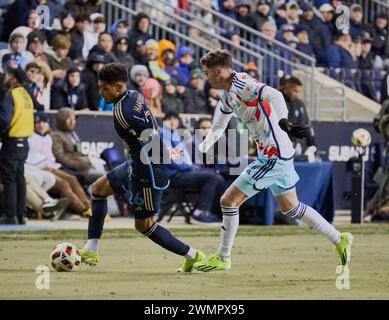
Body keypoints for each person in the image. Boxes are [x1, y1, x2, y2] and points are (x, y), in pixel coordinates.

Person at [192, 50, 353, 272]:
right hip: (277, 153)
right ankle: (339, 238)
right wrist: (204, 145)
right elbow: (219, 124)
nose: (206, 77)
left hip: (273, 155)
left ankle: (223, 256)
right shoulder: (228, 94)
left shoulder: (242, 84)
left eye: (207, 73)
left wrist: (284, 121)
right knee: (291, 207)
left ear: (218, 70)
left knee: (228, 201)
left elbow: (275, 95)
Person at [79, 63, 205, 272]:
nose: (100, 93)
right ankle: (92, 249)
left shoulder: (122, 114)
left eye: (104, 88)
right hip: (139, 161)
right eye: (99, 87)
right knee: (98, 189)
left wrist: (157, 164)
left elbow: (148, 143)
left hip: (147, 170)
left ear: (118, 88)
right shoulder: (134, 95)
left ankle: (194, 255)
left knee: (145, 226)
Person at [160, 111, 224, 223]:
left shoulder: (176, 136)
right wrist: (191, 168)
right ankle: (199, 212)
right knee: (213, 178)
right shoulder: (163, 136)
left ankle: (207, 212)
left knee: (217, 177)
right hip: (174, 176)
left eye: (175, 118)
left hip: (184, 172)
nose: (172, 121)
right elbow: (172, 161)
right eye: (169, 119)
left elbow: (185, 160)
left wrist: (193, 167)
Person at [27, 111, 93, 217]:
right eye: (38, 122)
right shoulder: (30, 137)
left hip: (51, 167)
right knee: (64, 184)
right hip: (39, 169)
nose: (41, 125)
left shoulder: (48, 138)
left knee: (72, 179)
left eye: (44, 122)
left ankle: (88, 206)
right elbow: (30, 159)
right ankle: (82, 210)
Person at [0, 67, 34, 224]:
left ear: (14, 79)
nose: (6, 77)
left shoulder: (11, 95)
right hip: (24, 142)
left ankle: (10, 215)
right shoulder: (26, 95)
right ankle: (22, 215)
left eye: (8, 75)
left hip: (12, 142)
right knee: (19, 177)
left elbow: (5, 120)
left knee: (9, 179)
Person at [280, 76, 316, 158]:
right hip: (282, 147)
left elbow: (307, 125)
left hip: (298, 146)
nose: (297, 94)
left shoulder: (300, 104)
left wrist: (313, 144)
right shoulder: (279, 101)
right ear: (287, 88)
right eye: (295, 91)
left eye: (298, 92)